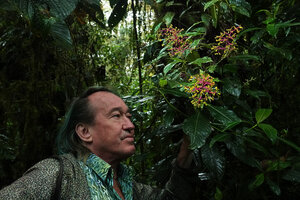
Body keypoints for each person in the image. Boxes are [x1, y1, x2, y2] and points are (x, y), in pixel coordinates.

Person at [0, 86, 196, 200]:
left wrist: (187, 151)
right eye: (116, 116)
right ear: (85, 132)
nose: (130, 125)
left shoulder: (129, 187)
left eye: (128, 116)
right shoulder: (58, 174)